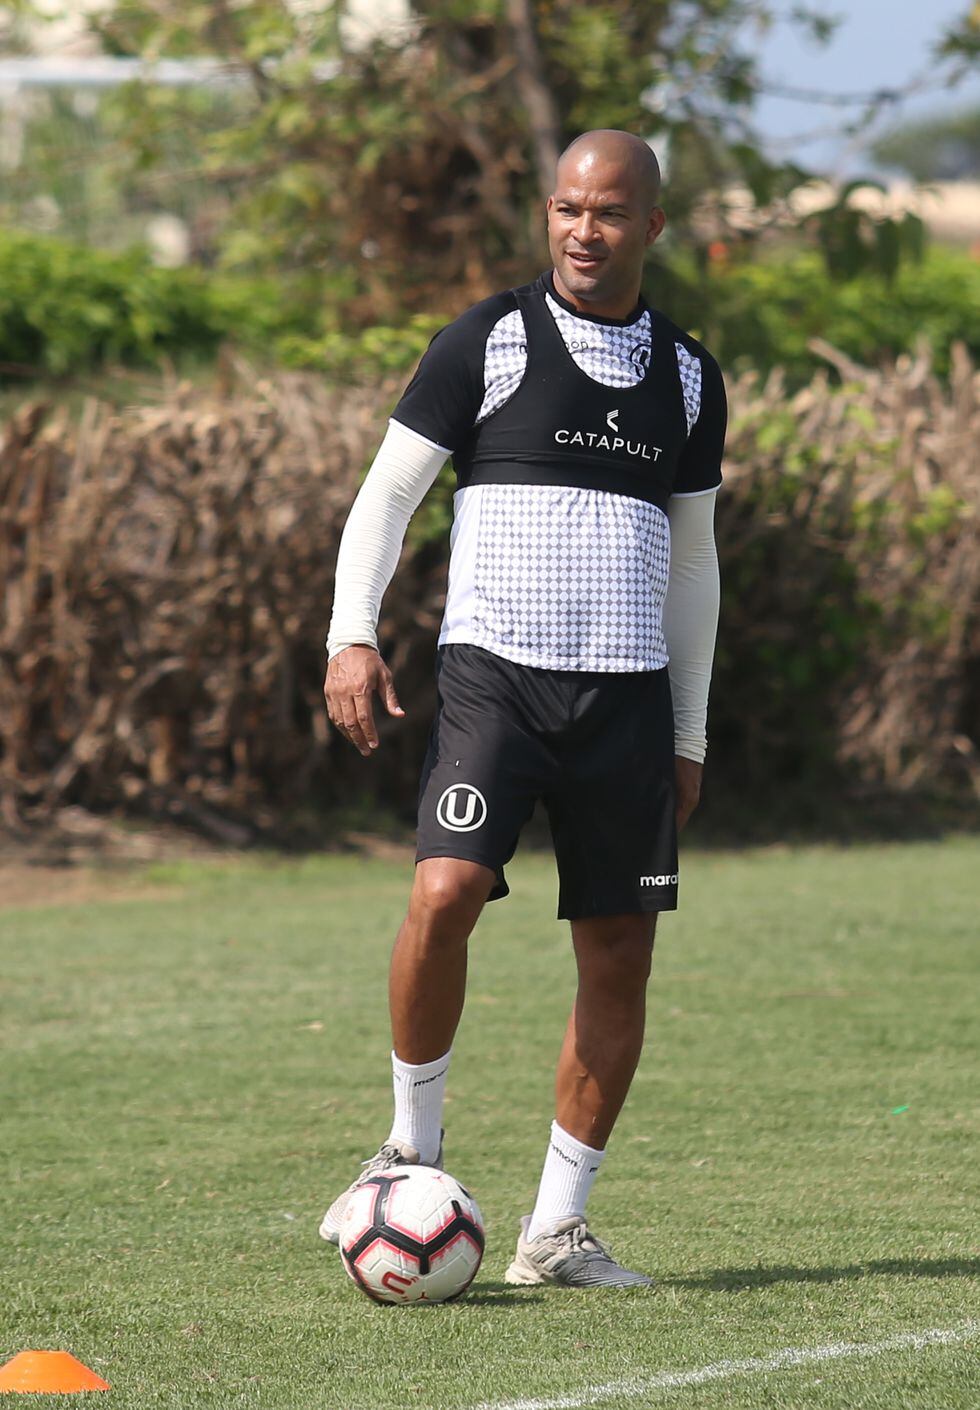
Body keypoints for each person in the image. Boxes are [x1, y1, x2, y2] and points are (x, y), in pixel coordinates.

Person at [320, 129, 726, 1288]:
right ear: (547, 213)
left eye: (608, 213)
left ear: (650, 226)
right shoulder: (487, 340)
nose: (582, 231)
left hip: (626, 702)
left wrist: (685, 732)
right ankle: (407, 1153)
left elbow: (694, 564)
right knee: (443, 892)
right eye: (565, 209)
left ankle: (556, 1231)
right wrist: (351, 634)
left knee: (618, 953)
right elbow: (386, 498)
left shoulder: (687, 375)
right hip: (494, 681)